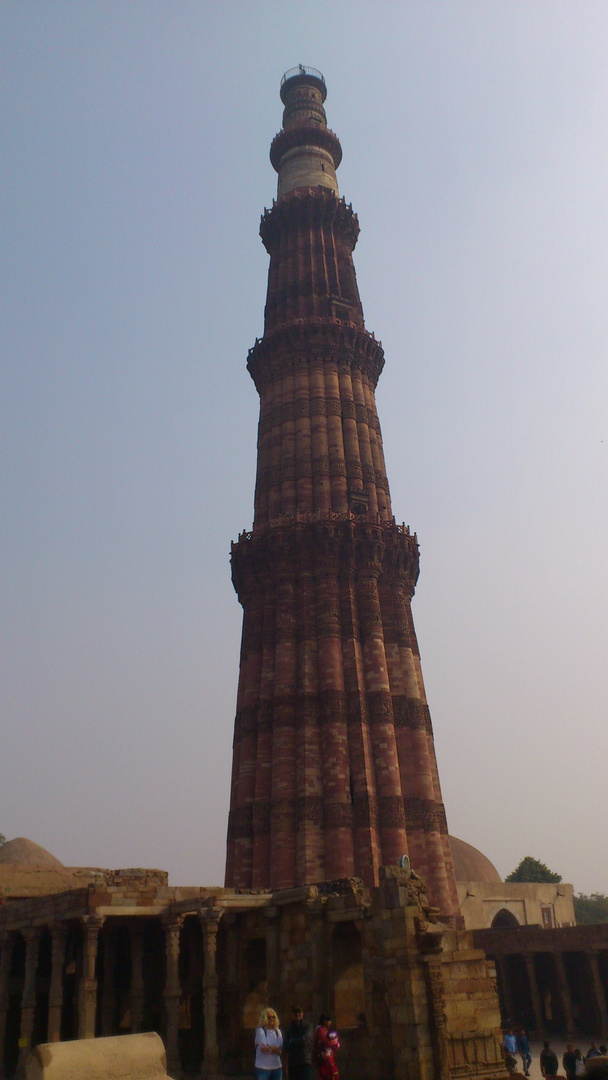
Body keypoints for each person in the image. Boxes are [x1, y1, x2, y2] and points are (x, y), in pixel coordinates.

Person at [284, 1006, 314, 1080]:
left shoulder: (308, 1026)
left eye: (299, 1012)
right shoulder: (289, 1029)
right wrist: (299, 1042)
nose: (297, 1014)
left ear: (302, 1014)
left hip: (304, 1062)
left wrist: (292, 1041)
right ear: (292, 1015)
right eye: (295, 1013)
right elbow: (286, 1046)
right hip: (293, 1063)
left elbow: (305, 1040)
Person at [255, 1007, 283, 1080]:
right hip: (263, 1067)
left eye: (273, 1017)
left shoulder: (277, 1031)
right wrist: (276, 1050)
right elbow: (264, 1048)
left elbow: (281, 1045)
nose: (271, 1019)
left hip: (276, 1066)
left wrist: (270, 1048)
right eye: (269, 1017)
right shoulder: (260, 1031)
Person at [314, 1015, 340, 1080]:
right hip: (324, 1058)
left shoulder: (324, 1030)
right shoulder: (320, 1030)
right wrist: (335, 1042)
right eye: (329, 1021)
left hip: (328, 1057)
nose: (330, 1023)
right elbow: (327, 1043)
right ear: (324, 1021)